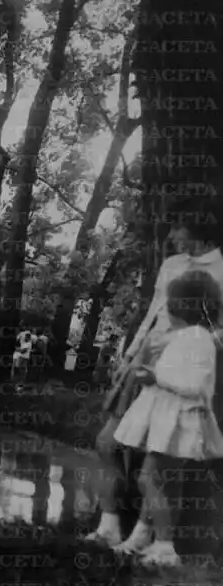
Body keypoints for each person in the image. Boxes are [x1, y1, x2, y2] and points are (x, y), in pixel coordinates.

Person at [87, 200, 223, 549]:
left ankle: (145, 537)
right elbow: (153, 314)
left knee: (161, 454)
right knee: (107, 442)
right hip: (145, 360)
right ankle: (109, 525)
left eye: (178, 227)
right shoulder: (171, 264)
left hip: (180, 366)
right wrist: (130, 356)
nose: (172, 236)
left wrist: (191, 342)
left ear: (199, 227)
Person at [110, 270, 223, 565]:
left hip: (180, 422)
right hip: (170, 419)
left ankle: (164, 545)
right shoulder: (186, 336)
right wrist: (153, 373)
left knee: (150, 478)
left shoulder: (198, 339)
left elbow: (197, 385)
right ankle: (143, 537)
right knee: (164, 481)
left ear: (182, 305)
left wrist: (155, 376)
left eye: (170, 301)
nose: (165, 308)